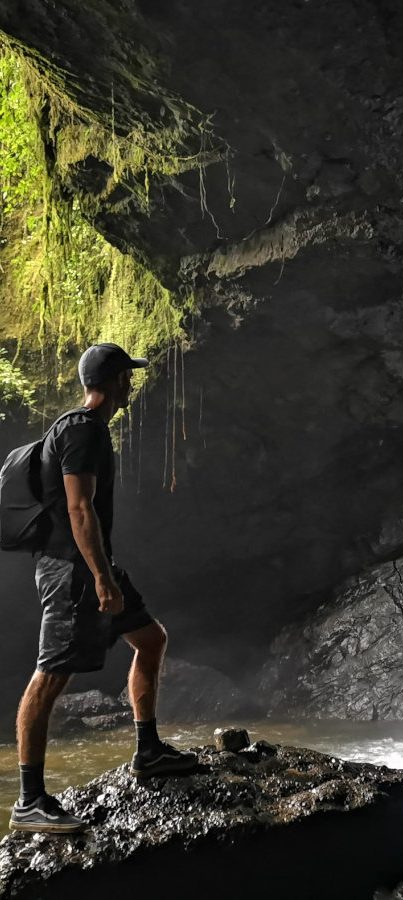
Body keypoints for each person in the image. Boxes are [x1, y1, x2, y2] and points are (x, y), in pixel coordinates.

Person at [9, 343, 197, 834]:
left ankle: (148, 750)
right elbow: (79, 509)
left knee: (150, 639)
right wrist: (99, 578)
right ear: (115, 381)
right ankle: (29, 801)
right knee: (50, 675)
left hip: (94, 566)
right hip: (71, 572)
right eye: (127, 376)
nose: (131, 384)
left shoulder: (84, 429)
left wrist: (106, 572)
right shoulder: (81, 432)